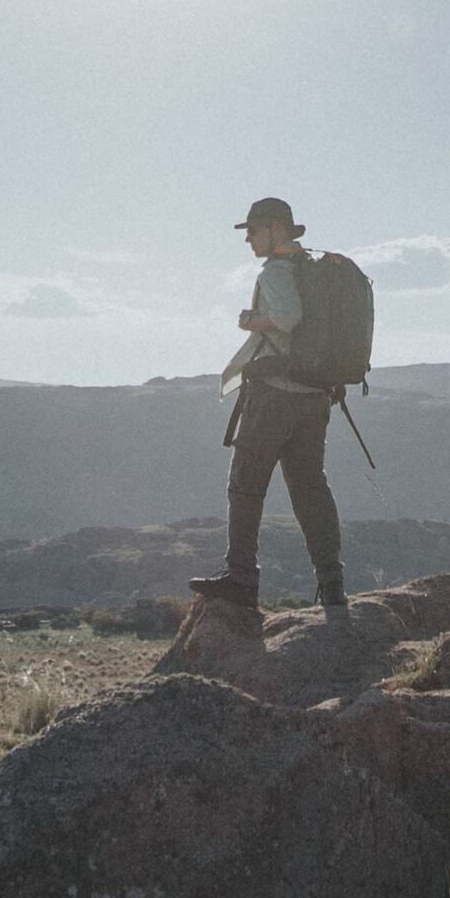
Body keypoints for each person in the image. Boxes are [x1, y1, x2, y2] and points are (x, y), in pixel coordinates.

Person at [195, 195, 346, 621]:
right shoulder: (315, 270)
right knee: (310, 489)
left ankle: (240, 579)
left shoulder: (278, 270)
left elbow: (287, 317)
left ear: (276, 228)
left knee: (245, 484)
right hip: (314, 396)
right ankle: (332, 584)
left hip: (275, 393)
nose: (249, 240)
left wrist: (249, 320)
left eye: (254, 230)